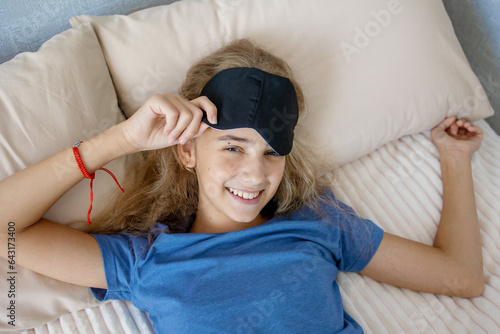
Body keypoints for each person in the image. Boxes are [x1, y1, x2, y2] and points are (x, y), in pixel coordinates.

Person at [0, 39, 484, 333]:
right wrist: (120, 140)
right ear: (187, 151)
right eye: (232, 147)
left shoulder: (319, 225)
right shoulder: (145, 260)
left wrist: (456, 158)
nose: (256, 176)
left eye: (272, 152)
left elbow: (460, 278)